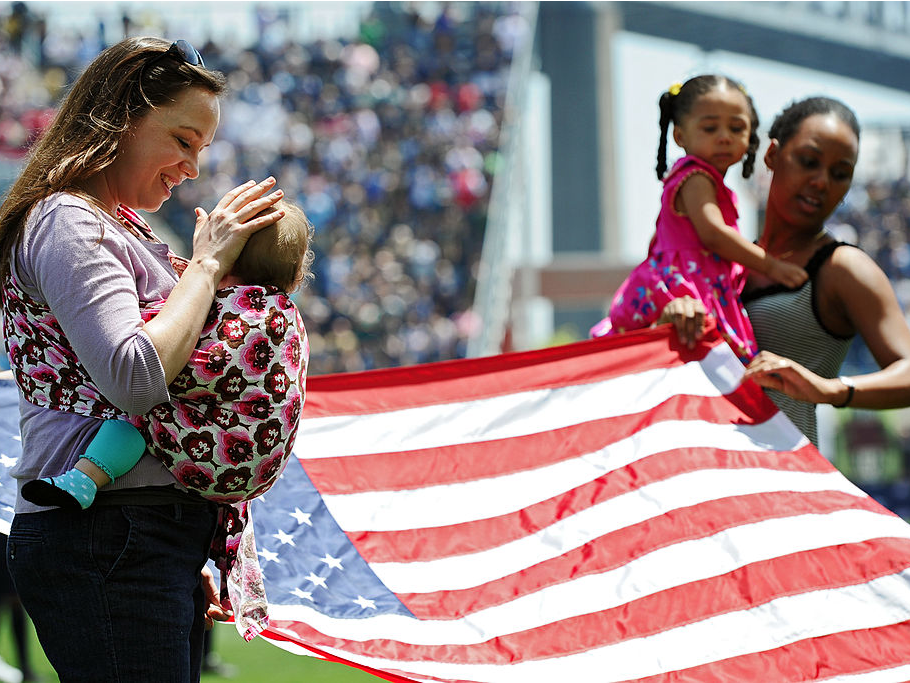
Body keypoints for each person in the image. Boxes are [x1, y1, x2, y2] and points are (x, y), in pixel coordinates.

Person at [0, 36, 286, 681]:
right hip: (106, 534)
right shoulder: (67, 220)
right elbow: (135, 377)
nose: (191, 166)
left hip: (137, 536)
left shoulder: (120, 224)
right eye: (182, 140)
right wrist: (209, 265)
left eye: (202, 149)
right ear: (122, 118)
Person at [19, 198, 313, 511]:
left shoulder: (232, 309)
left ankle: (86, 478)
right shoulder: (286, 316)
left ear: (226, 256)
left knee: (140, 400)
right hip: (260, 466)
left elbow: (169, 360)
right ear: (296, 278)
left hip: (222, 457)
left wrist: (185, 283)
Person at [657, 95, 910, 448]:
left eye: (840, 174)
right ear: (772, 156)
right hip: (708, 483)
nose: (822, 182)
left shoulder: (842, 267)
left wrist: (830, 390)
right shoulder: (723, 265)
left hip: (789, 489)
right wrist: (671, 323)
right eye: (808, 161)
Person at [590, 75, 808, 363]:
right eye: (709, 127)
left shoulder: (697, 178)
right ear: (680, 136)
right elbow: (714, 234)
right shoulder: (697, 177)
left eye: (736, 127)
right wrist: (771, 266)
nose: (724, 136)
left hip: (691, 280)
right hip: (686, 288)